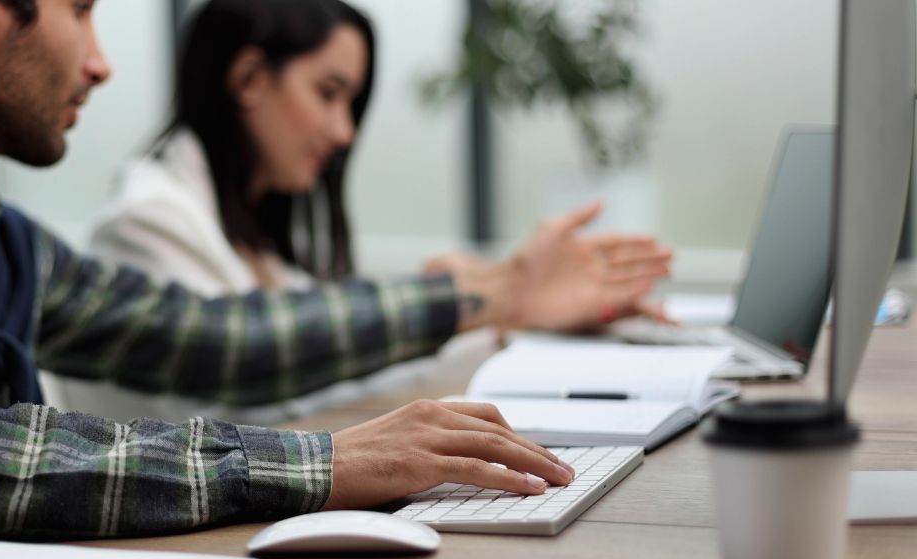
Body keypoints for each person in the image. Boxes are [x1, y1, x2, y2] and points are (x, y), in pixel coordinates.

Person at [0, 0, 658, 559]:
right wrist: (321, 463)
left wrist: (487, 294)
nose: (101, 63)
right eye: (80, 11)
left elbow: (220, 339)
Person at [72, 0, 673, 421]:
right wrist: (480, 296)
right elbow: (267, 387)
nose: (343, 132)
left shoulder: (250, 234)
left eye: (351, 103)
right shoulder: (143, 223)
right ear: (250, 77)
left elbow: (336, 359)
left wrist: (500, 316)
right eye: (329, 94)